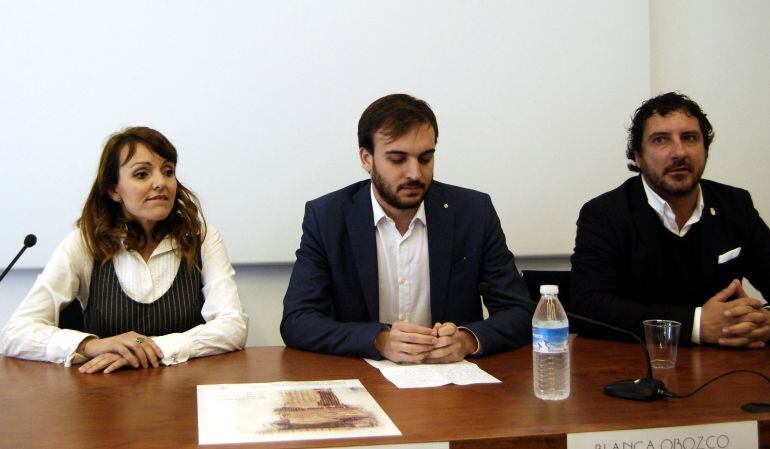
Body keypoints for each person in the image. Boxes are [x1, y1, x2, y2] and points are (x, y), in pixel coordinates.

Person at [281, 93, 531, 363]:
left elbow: (519, 311)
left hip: (453, 385)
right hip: (365, 380)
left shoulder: (472, 213)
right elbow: (298, 321)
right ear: (367, 158)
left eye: (425, 158)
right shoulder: (328, 217)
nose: (415, 173)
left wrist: (467, 339)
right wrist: (379, 340)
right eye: (398, 159)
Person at [1, 127, 248, 373]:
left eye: (168, 171)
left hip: (185, 390)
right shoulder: (84, 242)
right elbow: (16, 333)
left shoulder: (201, 236)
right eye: (142, 174)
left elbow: (233, 327)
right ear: (113, 190)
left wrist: (150, 348)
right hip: (107, 397)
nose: (161, 183)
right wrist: (89, 346)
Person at [570, 92, 770, 347]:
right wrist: (696, 325)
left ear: (705, 150)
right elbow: (588, 306)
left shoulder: (735, 205)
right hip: (637, 367)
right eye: (661, 140)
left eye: (689, 138)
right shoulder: (605, 214)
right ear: (638, 156)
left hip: (728, 366)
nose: (679, 152)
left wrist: (763, 323)